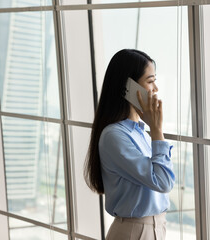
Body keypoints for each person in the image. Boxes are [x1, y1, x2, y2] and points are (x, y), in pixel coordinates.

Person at [84, 49, 175, 240]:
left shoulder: (139, 131)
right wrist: (157, 131)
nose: (155, 89)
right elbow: (163, 181)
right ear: (129, 87)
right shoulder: (114, 136)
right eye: (150, 81)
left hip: (156, 228)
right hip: (135, 232)